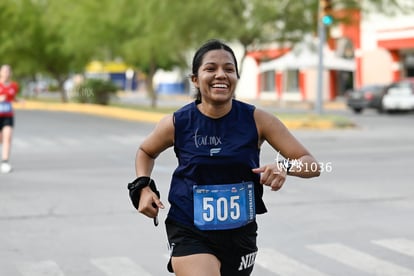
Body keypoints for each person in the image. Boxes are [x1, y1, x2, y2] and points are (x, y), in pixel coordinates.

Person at [128, 39, 321, 276]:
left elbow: (312, 165)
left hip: (240, 235)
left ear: (236, 77)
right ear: (195, 80)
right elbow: (146, 151)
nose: (221, 75)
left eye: (229, 69)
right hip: (189, 228)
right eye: (211, 69)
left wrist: (284, 167)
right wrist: (144, 186)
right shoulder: (178, 123)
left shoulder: (258, 120)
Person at [0, 64, 19, 173]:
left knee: (8, 137)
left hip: (8, 115)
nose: (6, 73)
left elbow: (13, 97)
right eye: (4, 71)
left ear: (10, 73)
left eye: (8, 71)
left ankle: (5, 161)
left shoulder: (14, 86)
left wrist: (19, 101)